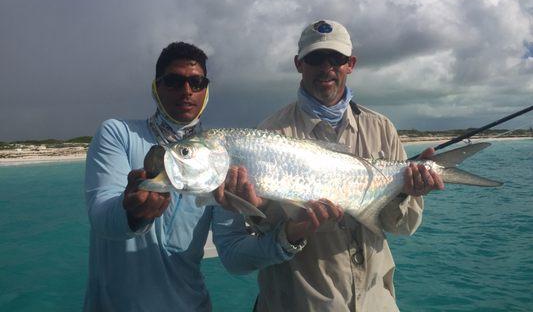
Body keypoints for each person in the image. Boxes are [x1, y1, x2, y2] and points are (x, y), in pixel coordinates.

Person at [84, 42, 297, 312]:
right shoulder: (117, 134)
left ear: (206, 89)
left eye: (197, 82)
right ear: (156, 87)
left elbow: (233, 256)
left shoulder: (218, 156)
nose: (187, 91)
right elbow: (101, 216)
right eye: (174, 81)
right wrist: (132, 213)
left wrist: (289, 238)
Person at [248, 20, 444, 311]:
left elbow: (401, 227)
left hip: (377, 302)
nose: (326, 68)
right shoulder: (269, 136)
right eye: (315, 58)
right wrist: (258, 208)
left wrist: (404, 192)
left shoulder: (381, 127)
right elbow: (261, 239)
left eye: (336, 59)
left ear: (350, 64)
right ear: (298, 64)